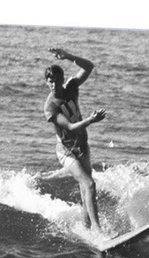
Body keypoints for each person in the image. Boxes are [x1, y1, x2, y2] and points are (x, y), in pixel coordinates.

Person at [44, 48, 108, 229]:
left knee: (85, 190)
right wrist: (91, 120)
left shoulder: (71, 86)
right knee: (90, 184)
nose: (53, 85)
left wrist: (68, 56)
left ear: (62, 80)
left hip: (82, 145)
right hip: (67, 152)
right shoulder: (50, 107)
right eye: (50, 82)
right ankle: (98, 231)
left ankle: (87, 228)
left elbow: (89, 66)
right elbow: (71, 127)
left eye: (56, 81)